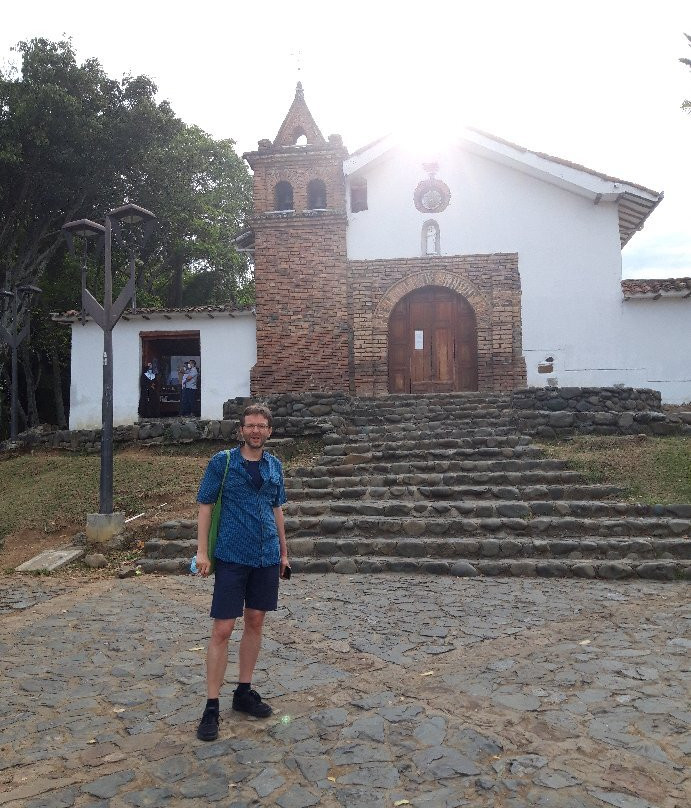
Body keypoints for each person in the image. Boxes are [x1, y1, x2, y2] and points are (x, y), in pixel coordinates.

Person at [195, 403, 289, 741]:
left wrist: (284, 551)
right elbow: (205, 505)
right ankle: (211, 706)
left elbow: (276, 507)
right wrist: (202, 551)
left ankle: (243, 691)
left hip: (266, 556)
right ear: (241, 430)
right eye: (250, 425)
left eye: (261, 425)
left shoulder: (275, 465)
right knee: (222, 628)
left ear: (269, 431)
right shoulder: (223, 463)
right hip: (233, 555)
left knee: (256, 621)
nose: (255, 430)